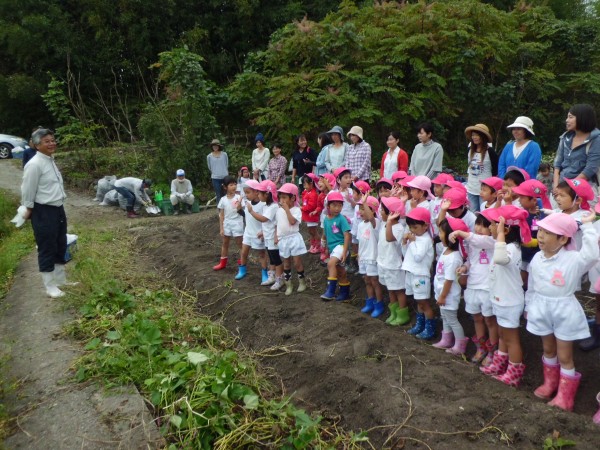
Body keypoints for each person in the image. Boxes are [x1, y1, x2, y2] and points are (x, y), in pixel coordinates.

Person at [525, 212, 598, 412]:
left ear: (563, 239)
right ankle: (550, 384)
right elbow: (532, 285)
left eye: (547, 233)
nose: (540, 235)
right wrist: (528, 306)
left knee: (565, 355)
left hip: (564, 310)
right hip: (541, 308)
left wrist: (588, 226)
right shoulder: (537, 259)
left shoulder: (573, 259)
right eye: (540, 230)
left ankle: (565, 397)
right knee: (548, 349)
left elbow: (592, 254)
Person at [480, 206, 530, 387]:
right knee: (503, 335)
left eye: (493, 225)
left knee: (511, 338)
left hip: (509, 302)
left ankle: (514, 372)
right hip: (501, 299)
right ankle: (500, 364)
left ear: (505, 229)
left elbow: (501, 259)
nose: (490, 228)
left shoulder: (510, 249)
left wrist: (499, 234)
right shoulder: (506, 246)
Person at [21, 128, 74, 298]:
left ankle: (60, 280)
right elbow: (27, 190)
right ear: (37, 145)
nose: (52, 143)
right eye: (47, 141)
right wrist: (28, 209)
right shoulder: (34, 164)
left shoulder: (50, 160)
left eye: (52, 140)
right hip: (43, 211)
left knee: (60, 243)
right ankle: (49, 286)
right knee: (46, 247)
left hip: (58, 208)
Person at [450, 213, 498, 365]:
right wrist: (464, 267)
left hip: (487, 287)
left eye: (484, 226)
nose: (479, 228)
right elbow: (471, 260)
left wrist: (460, 233)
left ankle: (492, 351)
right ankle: (481, 347)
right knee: (477, 318)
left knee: (490, 320)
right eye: (477, 224)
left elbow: (477, 239)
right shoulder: (473, 243)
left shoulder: (492, 241)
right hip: (473, 285)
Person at [432, 217, 469, 355]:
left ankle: (460, 344)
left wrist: (442, 296)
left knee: (452, 319)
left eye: (441, 232)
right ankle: (446, 339)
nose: (439, 234)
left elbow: (449, 280)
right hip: (441, 292)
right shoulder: (445, 250)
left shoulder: (454, 257)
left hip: (448, 294)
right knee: (445, 316)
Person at [402, 207, 435, 340]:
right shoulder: (415, 238)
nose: (412, 230)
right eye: (410, 227)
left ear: (425, 226)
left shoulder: (425, 240)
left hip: (420, 275)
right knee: (418, 301)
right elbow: (406, 254)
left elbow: (417, 257)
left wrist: (413, 242)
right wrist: (405, 242)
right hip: (411, 272)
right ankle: (420, 324)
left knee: (423, 302)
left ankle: (429, 328)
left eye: (415, 227)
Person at [376, 196, 410, 326]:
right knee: (390, 289)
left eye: (382, 210)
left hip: (394, 265)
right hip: (384, 262)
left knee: (398, 290)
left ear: (390, 214)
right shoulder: (385, 224)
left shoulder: (398, 228)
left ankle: (403, 314)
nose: (380, 212)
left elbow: (389, 238)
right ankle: (394, 313)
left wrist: (389, 223)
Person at [553, 104, 600, 191]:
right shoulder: (565, 137)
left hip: (584, 188)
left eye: (570, 117)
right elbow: (557, 164)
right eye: (567, 117)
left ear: (582, 118)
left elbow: (591, 168)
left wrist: (570, 188)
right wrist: (556, 186)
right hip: (562, 186)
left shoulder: (596, 139)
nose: (567, 120)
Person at [248, 180, 284, 289]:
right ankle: (272, 276)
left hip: (273, 238)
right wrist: (263, 232)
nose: (257, 194)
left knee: (276, 259)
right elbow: (269, 223)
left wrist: (251, 212)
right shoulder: (266, 206)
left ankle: (279, 279)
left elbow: (264, 219)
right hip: (268, 237)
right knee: (272, 258)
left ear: (267, 194)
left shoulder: (273, 206)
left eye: (259, 192)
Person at [276, 183, 307, 295]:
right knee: (286, 263)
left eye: (284, 197)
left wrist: (287, 210)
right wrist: (276, 236)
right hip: (283, 240)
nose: (282, 200)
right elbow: (278, 224)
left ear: (293, 198)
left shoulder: (296, 210)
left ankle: (302, 282)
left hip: (294, 238)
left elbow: (292, 221)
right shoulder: (279, 211)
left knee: (297, 262)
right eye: (280, 197)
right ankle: (289, 284)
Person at [320, 191, 352, 301]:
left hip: (341, 246)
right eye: (334, 205)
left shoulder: (341, 219)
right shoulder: (326, 219)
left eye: (340, 205)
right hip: (333, 248)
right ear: (328, 206)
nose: (337, 208)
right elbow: (326, 234)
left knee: (331, 263)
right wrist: (325, 246)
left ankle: (331, 291)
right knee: (340, 271)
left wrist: (344, 251)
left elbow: (347, 235)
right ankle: (345, 293)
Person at [235, 180, 268, 282]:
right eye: (245, 193)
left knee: (261, 254)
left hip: (258, 233)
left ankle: (264, 273)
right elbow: (247, 216)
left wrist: (263, 231)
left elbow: (265, 220)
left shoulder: (263, 205)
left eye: (248, 192)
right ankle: (242, 270)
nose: (246, 195)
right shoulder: (247, 203)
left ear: (256, 192)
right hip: (248, 232)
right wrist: (239, 209)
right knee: (244, 252)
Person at [356, 195, 384, 315]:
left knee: (374, 281)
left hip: (372, 257)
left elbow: (372, 218)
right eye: (360, 208)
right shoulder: (360, 225)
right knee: (367, 280)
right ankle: (370, 302)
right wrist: (358, 255)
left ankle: (379, 304)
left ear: (372, 210)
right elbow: (360, 242)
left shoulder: (376, 223)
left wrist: (365, 202)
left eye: (364, 208)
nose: (361, 211)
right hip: (363, 258)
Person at [464, 123, 498, 211]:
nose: (474, 137)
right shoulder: (470, 150)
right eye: (473, 135)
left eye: (477, 135)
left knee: (484, 213)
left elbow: (495, 170)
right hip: (471, 187)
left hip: (485, 190)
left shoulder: (490, 152)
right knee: (473, 212)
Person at [213, 176, 243, 271]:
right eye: (231, 185)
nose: (234, 186)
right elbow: (221, 215)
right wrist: (221, 228)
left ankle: (243, 261)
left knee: (240, 243)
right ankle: (222, 263)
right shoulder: (223, 200)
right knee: (225, 243)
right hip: (227, 223)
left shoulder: (239, 198)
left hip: (237, 223)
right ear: (225, 187)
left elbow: (242, 211)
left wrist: (240, 205)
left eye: (235, 184)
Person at [301, 173, 321, 253]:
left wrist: (303, 208)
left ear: (311, 183)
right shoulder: (308, 192)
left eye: (305, 184)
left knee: (313, 231)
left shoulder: (313, 194)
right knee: (310, 231)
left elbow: (311, 206)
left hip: (312, 216)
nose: (304, 186)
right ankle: (313, 244)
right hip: (308, 216)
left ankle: (318, 245)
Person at [207, 138, 229, 204]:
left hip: (225, 177)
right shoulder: (209, 156)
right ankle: (220, 211)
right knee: (218, 194)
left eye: (216, 146)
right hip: (215, 178)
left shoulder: (224, 154)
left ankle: (227, 209)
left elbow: (226, 164)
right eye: (213, 146)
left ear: (219, 146)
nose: (215, 147)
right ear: (212, 147)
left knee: (226, 193)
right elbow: (209, 167)